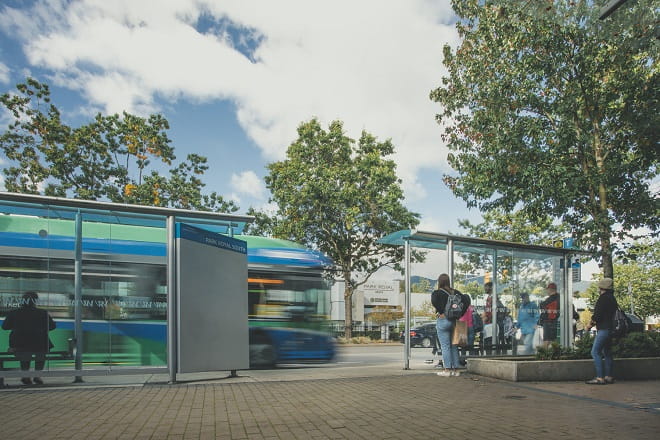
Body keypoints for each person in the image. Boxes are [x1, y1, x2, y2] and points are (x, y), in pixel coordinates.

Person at [2, 291, 56, 385]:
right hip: (40, 344)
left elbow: (5, 327)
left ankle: (25, 375)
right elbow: (52, 326)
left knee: (25, 354)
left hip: (19, 345)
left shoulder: (14, 312)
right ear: (35, 301)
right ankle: (37, 376)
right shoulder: (42, 313)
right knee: (41, 354)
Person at [431, 273, 471, 377]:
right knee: (454, 346)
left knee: (445, 346)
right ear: (448, 281)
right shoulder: (456, 292)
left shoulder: (437, 293)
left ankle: (447, 370)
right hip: (454, 321)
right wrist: (460, 314)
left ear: (440, 282)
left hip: (443, 321)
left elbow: (434, 301)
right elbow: (466, 299)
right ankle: (456, 370)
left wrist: (442, 312)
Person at [586, 278, 618, 385]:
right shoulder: (612, 298)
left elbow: (597, 316)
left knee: (595, 352)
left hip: (603, 329)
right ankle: (608, 376)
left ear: (601, 287)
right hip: (611, 329)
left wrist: (590, 325)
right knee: (607, 352)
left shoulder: (603, 299)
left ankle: (599, 377)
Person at [482, 281, 507, 354]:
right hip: (492, 322)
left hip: (495, 322)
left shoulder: (493, 298)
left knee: (498, 339)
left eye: (486, 287)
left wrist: (488, 317)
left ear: (491, 288)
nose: (485, 288)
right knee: (497, 339)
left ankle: (499, 354)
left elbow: (496, 310)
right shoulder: (489, 298)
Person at [538, 282, 560, 348]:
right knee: (554, 341)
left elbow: (542, 306)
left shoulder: (551, 299)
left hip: (549, 322)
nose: (547, 291)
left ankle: (544, 357)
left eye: (547, 289)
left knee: (546, 341)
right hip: (555, 322)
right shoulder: (560, 298)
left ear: (550, 289)